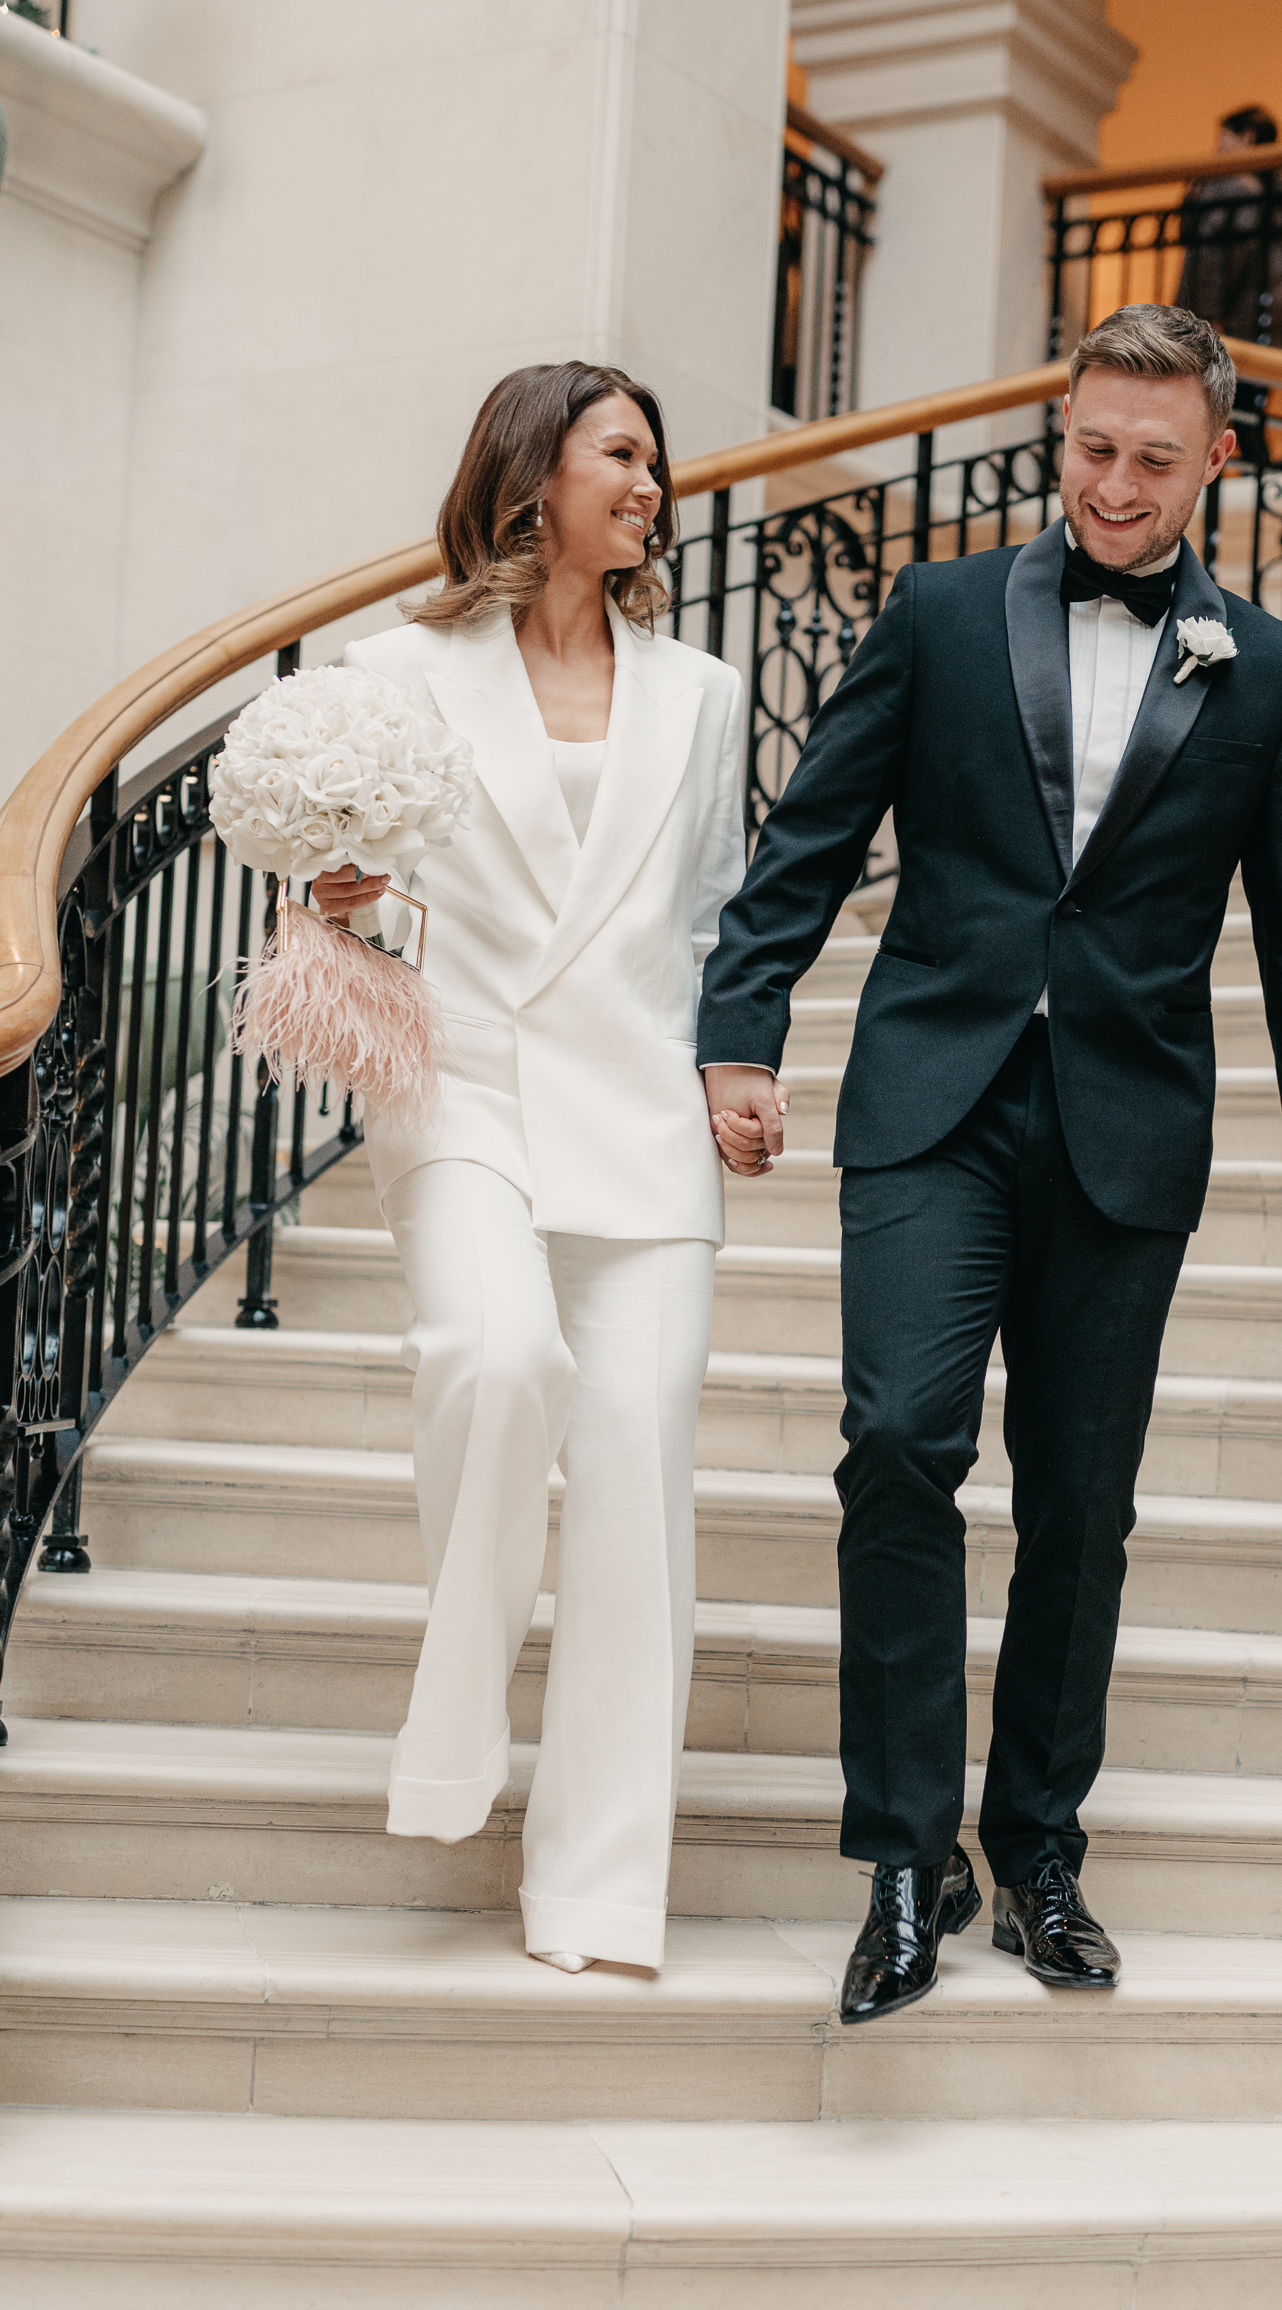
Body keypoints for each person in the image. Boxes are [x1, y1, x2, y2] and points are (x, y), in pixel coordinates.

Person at [699, 304, 1282, 2024]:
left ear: (1217, 460)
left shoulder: (1272, 671)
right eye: (1093, 450)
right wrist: (741, 1031)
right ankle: (906, 1862)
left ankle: (1042, 1848)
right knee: (900, 1445)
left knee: (1083, 1507)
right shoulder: (936, 612)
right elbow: (810, 837)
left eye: (1157, 458)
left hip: (1126, 1128)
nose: (1118, 487)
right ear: (1059, 435)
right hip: (932, 1100)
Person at [311, 361, 746, 1975]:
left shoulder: (700, 696)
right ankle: (455, 1729)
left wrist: (735, 1070)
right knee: (498, 1366)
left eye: (655, 461)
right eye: (621, 454)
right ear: (535, 472)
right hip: (468, 1081)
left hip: (642, 1111)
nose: (651, 484)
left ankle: (599, 1889)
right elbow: (332, 883)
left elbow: (711, 917)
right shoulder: (400, 668)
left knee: (635, 1471)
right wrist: (338, 894)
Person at [1177, 105, 1282, 353]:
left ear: (1248, 136)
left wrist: (1212, 313)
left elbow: (1220, 256)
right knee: (1253, 381)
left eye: (1224, 138)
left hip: (1229, 316)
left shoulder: (1235, 189)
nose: (1218, 148)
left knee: (1220, 383)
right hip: (1266, 311)